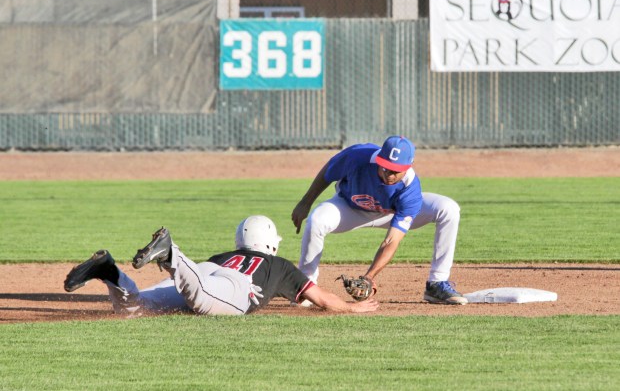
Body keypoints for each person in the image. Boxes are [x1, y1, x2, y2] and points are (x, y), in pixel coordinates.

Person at [64, 215, 379, 316]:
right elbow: (321, 298)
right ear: (270, 241)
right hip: (232, 288)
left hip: (203, 268)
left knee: (136, 307)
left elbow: (200, 279)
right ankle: (170, 251)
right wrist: (353, 308)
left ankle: (110, 272)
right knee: (200, 298)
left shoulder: (224, 255)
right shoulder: (280, 265)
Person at [291, 135, 467, 305]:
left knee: (448, 208)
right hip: (350, 208)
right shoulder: (358, 156)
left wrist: (369, 277)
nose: (389, 174)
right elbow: (328, 172)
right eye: (385, 167)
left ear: (408, 166)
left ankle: (437, 283)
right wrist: (305, 202)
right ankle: (307, 287)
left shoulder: (410, 189)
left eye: (395, 171)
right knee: (316, 220)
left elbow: (391, 241)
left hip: (391, 212)